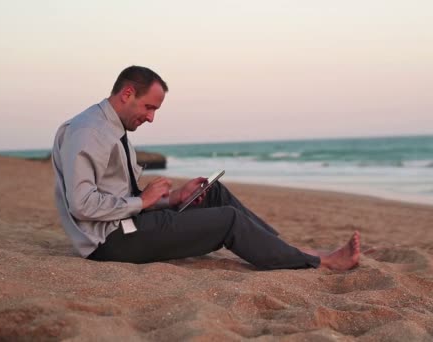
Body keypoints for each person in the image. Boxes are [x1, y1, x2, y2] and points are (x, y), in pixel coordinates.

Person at [52, 65, 360, 270]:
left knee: (211, 193)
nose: (151, 118)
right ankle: (321, 262)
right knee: (227, 221)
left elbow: (119, 196)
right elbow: (81, 205)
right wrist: (143, 200)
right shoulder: (88, 132)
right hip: (112, 241)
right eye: (149, 108)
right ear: (127, 93)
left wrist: (170, 200)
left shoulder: (112, 128)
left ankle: (286, 249)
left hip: (127, 223)